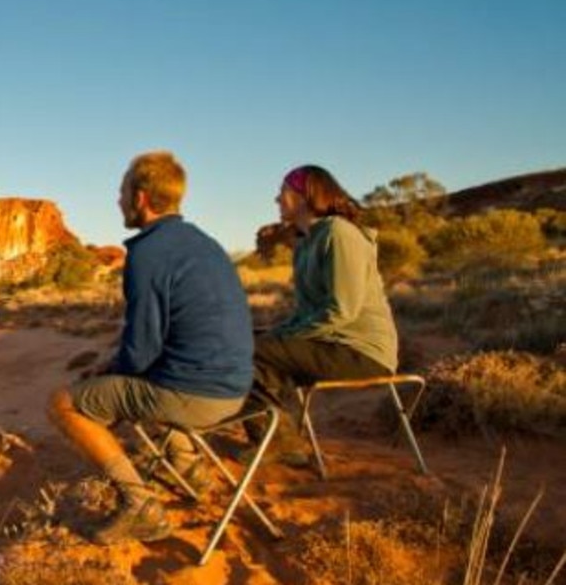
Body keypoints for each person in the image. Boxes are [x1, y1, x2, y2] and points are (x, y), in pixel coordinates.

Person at [47, 151, 255, 544]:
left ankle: (140, 505)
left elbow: (141, 350)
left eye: (122, 191)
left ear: (140, 197)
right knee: (142, 378)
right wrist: (115, 366)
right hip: (236, 390)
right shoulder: (203, 242)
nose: (118, 200)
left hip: (198, 396)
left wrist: (107, 370)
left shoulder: (147, 254)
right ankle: (186, 463)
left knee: (63, 403)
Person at [252, 165, 399, 462]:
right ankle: (281, 434)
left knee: (254, 350)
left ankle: (281, 440)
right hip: (332, 342)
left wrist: (283, 337)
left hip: (361, 351)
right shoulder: (305, 243)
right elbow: (306, 311)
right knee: (244, 341)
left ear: (305, 195)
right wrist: (279, 332)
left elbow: (341, 311)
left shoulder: (339, 233)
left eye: (283, 192)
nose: (276, 199)